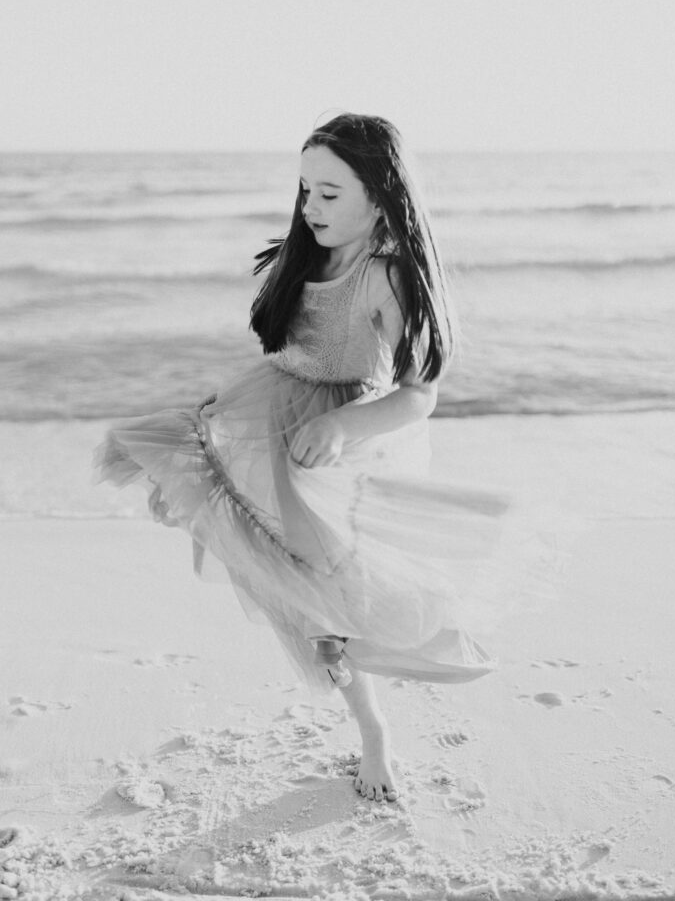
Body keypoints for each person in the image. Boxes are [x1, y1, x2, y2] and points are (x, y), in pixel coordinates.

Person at [94, 112, 509, 804]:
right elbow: (289, 355)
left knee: (328, 601)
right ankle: (367, 718)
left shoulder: (386, 277)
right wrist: (221, 410)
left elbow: (418, 396)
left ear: (379, 195)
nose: (310, 207)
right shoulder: (310, 254)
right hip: (275, 415)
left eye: (329, 192)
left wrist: (345, 424)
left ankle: (373, 728)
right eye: (304, 189)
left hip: (334, 446)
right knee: (294, 591)